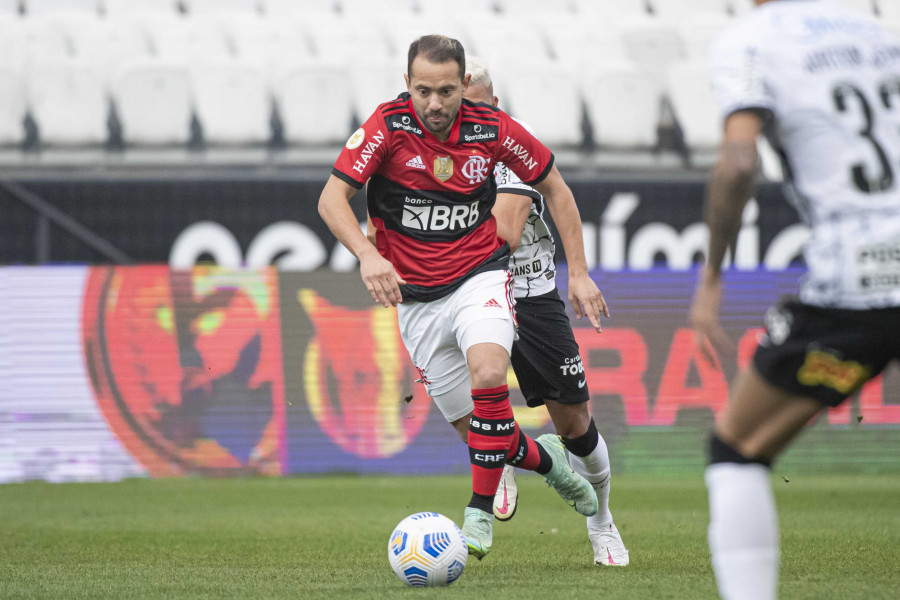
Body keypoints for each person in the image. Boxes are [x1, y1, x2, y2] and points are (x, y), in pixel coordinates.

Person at [318, 35, 600, 560]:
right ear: (407, 85)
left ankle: (476, 511)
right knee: (481, 432)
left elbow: (557, 187)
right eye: (423, 90)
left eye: (446, 91)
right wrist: (365, 253)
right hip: (416, 299)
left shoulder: (492, 129)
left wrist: (578, 271)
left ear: (463, 85)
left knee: (489, 375)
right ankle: (547, 463)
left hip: (480, 276)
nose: (435, 104)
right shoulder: (385, 127)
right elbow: (331, 197)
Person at [690, 1, 900, 598]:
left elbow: (737, 163)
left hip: (857, 282)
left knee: (737, 447)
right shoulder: (879, 34)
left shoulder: (750, 42)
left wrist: (711, 277)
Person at [459, 56, 629, 567]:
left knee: (575, 425)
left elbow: (507, 232)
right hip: (465, 290)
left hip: (527, 291)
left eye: (473, 110)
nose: (459, 122)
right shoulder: (428, 146)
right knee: (467, 406)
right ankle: (504, 453)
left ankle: (601, 519)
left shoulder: (508, 139)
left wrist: (577, 272)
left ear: (493, 106)